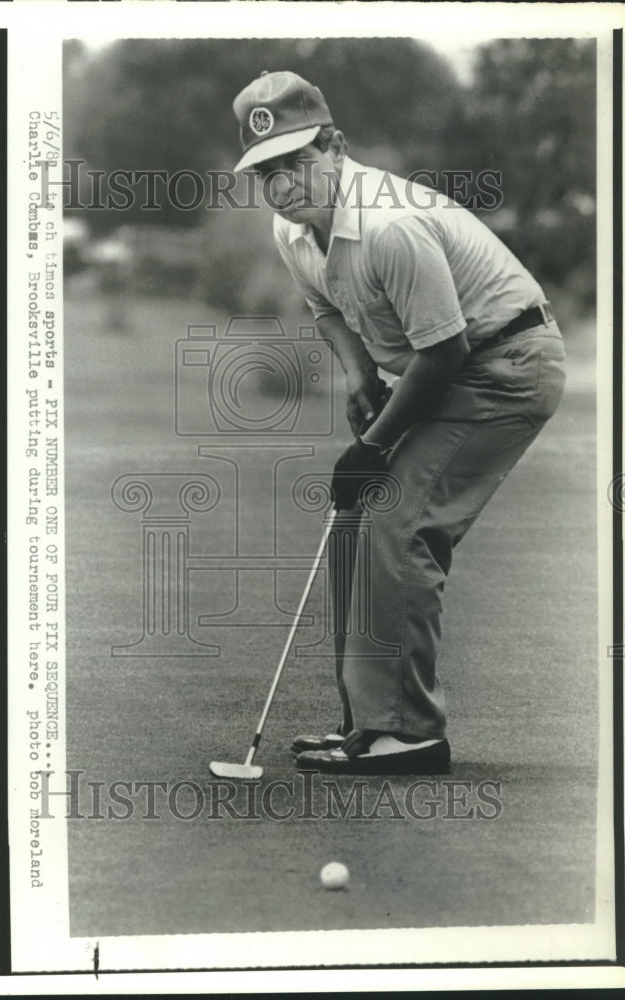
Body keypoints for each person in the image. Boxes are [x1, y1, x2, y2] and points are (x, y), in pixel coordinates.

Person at [231, 70, 566, 774]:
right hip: (450, 364)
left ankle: (412, 733)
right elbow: (326, 307)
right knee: (356, 524)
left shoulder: (387, 224)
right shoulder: (293, 231)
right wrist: (359, 379)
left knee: (400, 520)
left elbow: (443, 350)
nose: (283, 185)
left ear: (335, 146)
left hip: (507, 364)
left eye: (295, 162)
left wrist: (374, 444)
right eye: (266, 172)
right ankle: (368, 726)